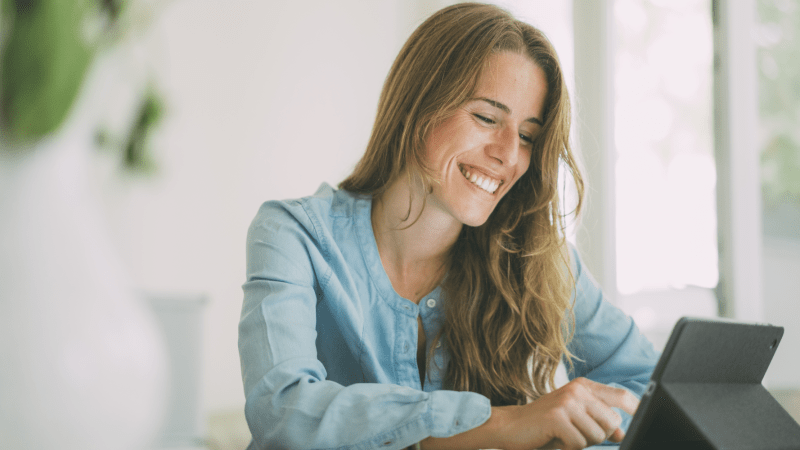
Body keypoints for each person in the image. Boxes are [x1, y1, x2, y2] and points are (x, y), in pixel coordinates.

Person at [238, 3, 659, 449]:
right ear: (416, 105)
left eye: (527, 137)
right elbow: (282, 411)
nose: (508, 155)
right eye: (486, 118)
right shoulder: (294, 235)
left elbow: (647, 385)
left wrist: (567, 433)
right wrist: (504, 425)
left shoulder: (538, 259)